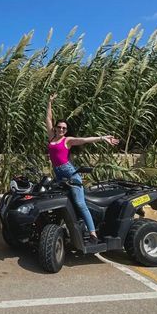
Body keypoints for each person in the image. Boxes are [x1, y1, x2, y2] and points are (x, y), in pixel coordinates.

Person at [46, 93, 119, 242]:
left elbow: (85, 140)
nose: (61, 130)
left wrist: (103, 138)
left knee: (79, 203)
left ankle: (92, 233)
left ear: (66, 131)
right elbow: (47, 118)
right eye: (59, 127)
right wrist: (50, 102)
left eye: (64, 128)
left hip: (70, 172)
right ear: (55, 128)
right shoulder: (52, 137)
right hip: (58, 174)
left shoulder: (68, 140)